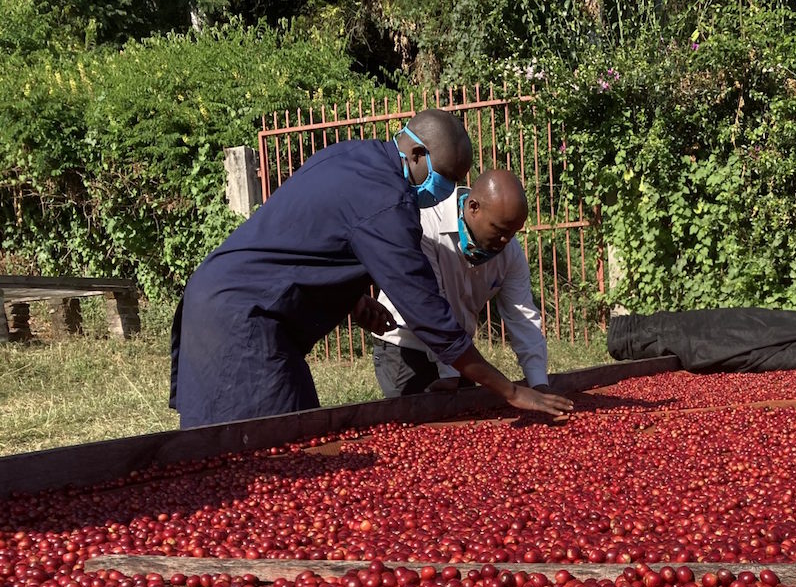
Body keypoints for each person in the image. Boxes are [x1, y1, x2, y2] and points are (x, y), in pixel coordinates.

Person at [169, 109, 572, 428]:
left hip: (222, 297)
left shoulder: (352, 155)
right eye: (447, 178)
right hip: (243, 318)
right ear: (417, 155)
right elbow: (427, 310)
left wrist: (354, 300)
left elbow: (311, 241)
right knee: (272, 450)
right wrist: (511, 392)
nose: (448, 191)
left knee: (264, 446)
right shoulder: (389, 205)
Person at [371, 169, 551, 397]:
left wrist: (538, 383)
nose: (506, 240)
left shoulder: (510, 251)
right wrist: (449, 374)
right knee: (415, 425)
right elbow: (430, 306)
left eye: (513, 233)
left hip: (459, 351)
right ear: (473, 207)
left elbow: (523, 315)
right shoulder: (425, 225)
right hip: (406, 347)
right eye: (499, 230)